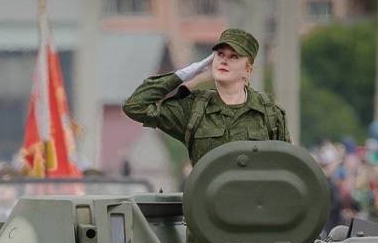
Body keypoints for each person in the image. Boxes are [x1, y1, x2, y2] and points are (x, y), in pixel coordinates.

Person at [122, 28, 289, 167]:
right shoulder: (194, 108)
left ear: (248, 69)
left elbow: (287, 167)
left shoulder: (269, 113)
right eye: (220, 54)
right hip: (206, 204)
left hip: (256, 205)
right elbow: (135, 106)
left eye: (234, 57)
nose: (224, 61)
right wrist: (185, 73)